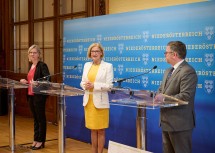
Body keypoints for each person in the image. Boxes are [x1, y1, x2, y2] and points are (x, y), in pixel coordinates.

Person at [155, 41, 198, 153]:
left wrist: (163, 98)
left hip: (180, 123)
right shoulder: (168, 71)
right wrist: (156, 95)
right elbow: (161, 90)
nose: (165, 55)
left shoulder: (188, 71)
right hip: (166, 121)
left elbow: (185, 96)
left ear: (174, 54)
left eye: (166, 52)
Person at [80, 43, 114, 153]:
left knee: (101, 130)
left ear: (101, 53)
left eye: (97, 51)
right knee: (93, 130)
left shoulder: (108, 66)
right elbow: (82, 82)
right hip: (88, 102)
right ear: (90, 53)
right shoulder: (86, 65)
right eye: (92, 51)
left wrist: (94, 85)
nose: (94, 53)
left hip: (100, 103)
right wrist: (84, 85)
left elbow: (109, 86)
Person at [20, 44, 50, 150]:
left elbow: (47, 80)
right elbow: (31, 80)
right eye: (31, 52)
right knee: (35, 119)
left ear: (39, 54)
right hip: (31, 96)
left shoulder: (42, 65)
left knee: (41, 119)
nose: (32, 54)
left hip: (39, 96)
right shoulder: (31, 66)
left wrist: (37, 82)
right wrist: (25, 81)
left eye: (34, 52)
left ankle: (41, 141)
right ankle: (35, 139)